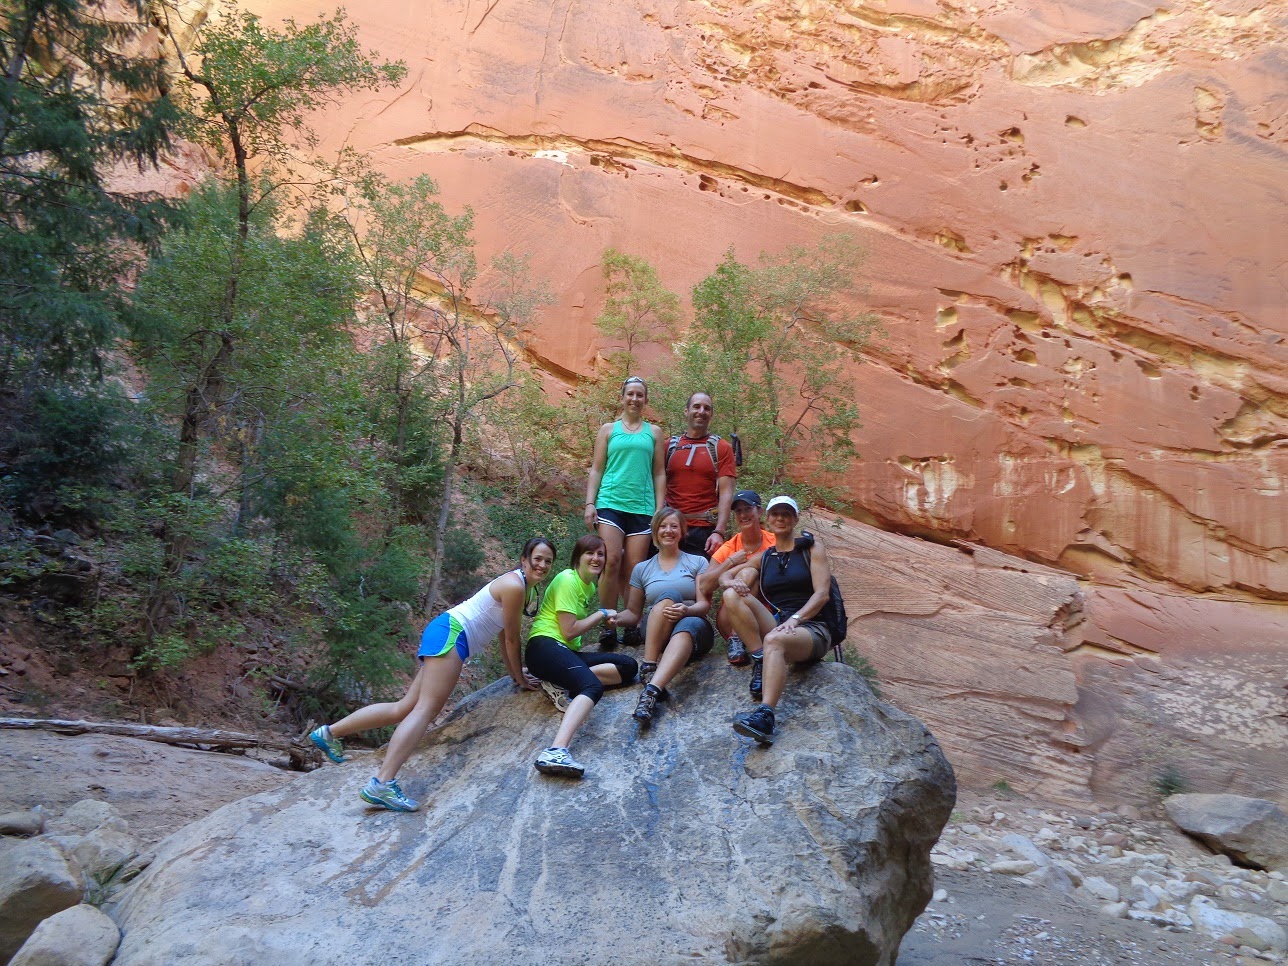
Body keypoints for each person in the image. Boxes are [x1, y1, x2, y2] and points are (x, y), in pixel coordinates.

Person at [308, 537, 557, 812]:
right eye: (537, 558)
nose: (542, 565)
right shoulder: (514, 586)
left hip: (446, 630)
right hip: (453, 635)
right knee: (425, 710)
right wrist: (519, 677)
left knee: (404, 707)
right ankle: (382, 783)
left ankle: (329, 733)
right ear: (524, 559)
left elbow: (503, 636)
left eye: (548, 561)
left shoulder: (524, 588)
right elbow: (511, 640)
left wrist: (515, 674)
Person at [720, 496, 833, 746]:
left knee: (774, 640)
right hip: (779, 625)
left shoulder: (811, 550)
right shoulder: (766, 556)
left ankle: (766, 716)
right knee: (731, 596)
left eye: (786, 514)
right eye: (776, 514)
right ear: (768, 519)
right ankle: (761, 658)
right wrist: (732, 582)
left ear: (795, 519)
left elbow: (822, 595)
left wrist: (796, 618)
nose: (780, 518)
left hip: (812, 627)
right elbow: (725, 576)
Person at [526, 534, 639, 778]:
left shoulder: (588, 586)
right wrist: (601, 614)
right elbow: (568, 631)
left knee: (628, 667)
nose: (596, 558)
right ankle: (556, 750)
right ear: (578, 557)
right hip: (544, 645)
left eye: (601, 554)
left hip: (564, 651)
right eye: (590, 553)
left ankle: (559, 681)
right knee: (592, 686)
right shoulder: (568, 579)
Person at [584, 376, 665, 649]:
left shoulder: (654, 433)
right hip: (610, 503)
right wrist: (590, 503)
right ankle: (607, 625)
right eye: (630, 393)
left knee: (634, 569)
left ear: (646, 400)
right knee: (611, 561)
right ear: (622, 397)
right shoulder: (608, 430)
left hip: (642, 508)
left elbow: (659, 472)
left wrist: (659, 509)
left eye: (640, 395)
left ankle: (631, 624)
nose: (634, 399)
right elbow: (597, 469)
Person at [614, 508, 713, 727]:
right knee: (669, 595)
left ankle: (650, 683)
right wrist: (612, 619)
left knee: (687, 624)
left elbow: (704, 605)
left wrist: (685, 610)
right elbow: (633, 613)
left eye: (674, 526)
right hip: (656, 629)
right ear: (655, 531)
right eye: (663, 526)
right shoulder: (642, 568)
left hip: (694, 624)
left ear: (683, 531)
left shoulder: (698, 562)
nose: (668, 531)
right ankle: (650, 675)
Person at [699, 489, 773, 666]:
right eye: (738, 511)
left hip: (765, 614)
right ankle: (736, 636)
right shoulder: (729, 547)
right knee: (748, 573)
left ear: (760, 511)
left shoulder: (774, 542)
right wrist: (730, 562)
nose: (743, 515)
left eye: (748, 509)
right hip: (730, 616)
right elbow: (704, 586)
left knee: (750, 572)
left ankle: (741, 639)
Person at [663, 391, 736, 558]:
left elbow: (726, 492)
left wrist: (719, 531)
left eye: (706, 408)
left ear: (711, 415)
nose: (701, 412)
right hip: (670, 526)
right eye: (696, 406)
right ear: (686, 411)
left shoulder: (721, 448)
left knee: (700, 575)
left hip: (704, 529)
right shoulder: (669, 446)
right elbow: (656, 484)